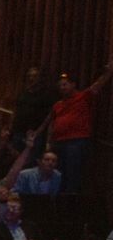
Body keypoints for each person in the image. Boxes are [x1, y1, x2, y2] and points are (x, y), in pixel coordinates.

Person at [46, 62, 112, 193]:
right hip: (58, 142)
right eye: (60, 86)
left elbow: (98, 85)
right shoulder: (58, 105)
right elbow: (52, 123)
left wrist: (109, 72)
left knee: (72, 174)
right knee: (58, 174)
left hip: (75, 141)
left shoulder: (83, 96)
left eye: (65, 84)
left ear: (73, 85)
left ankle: (70, 201)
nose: (62, 87)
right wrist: (48, 142)